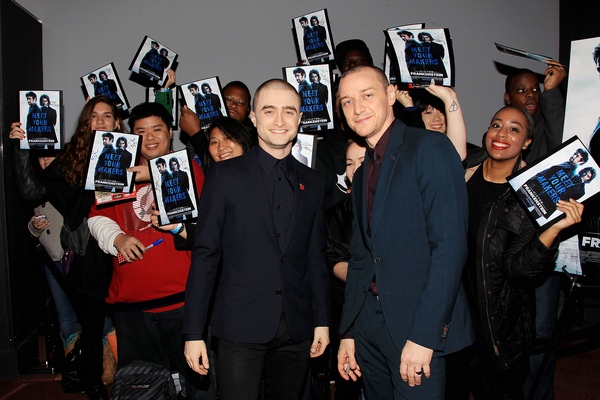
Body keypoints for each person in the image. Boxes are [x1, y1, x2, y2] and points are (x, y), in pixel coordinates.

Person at [183, 79, 331, 400]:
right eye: (269, 111)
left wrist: (322, 321)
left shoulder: (315, 182)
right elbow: (205, 256)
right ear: (253, 117)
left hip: (297, 328)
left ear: (300, 118)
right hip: (239, 326)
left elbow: (316, 258)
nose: (279, 121)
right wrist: (194, 333)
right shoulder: (225, 176)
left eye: (288, 111)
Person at [335, 66, 473, 399]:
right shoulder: (364, 165)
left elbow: (450, 247)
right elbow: (361, 255)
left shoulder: (430, 148)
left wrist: (425, 335)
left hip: (416, 322)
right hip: (368, 321)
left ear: (390, 94)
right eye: (347, 102)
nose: (357, 109)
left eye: (367, 95)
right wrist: (350, 330)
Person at [88, 102, 210, 399]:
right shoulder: (115, 172)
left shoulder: (190, 172)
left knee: (197, 385)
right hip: (132, 308)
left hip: (183, 304)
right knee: (141, 388)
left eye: (157, 129)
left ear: (171, 131)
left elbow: (206, 229)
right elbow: (95, 217)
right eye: (141, 132)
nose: (151, 137)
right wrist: (117, 238)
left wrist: (151, 174)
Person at [461, 106, 584, 400]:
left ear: (527, 142)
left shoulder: (532, 195)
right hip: (457, 322)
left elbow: (519, 270)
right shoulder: (466, 169)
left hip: (500, 332)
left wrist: (553, 229)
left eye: (514, 129)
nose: (502, 134)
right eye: (496, 125)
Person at [10, 96, 126, 400]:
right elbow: (31, 191)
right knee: (92, 324)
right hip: (90, 256)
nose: (100, 121)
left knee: (133, 321)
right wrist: (22, 147)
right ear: (86, 122)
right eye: (94, 116)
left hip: (127, 252)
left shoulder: (131, 154)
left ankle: (140, 379)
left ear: (117, 122)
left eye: (107, 116)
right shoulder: (71, 159)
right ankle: (93, 383)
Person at [395, 81, 468, 160]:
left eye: (441, 112)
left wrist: (450, 98)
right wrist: (410, 108)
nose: (437, 118)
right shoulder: (403, 151)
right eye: (428, 113)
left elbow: (456, 154)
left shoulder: (460, 151)